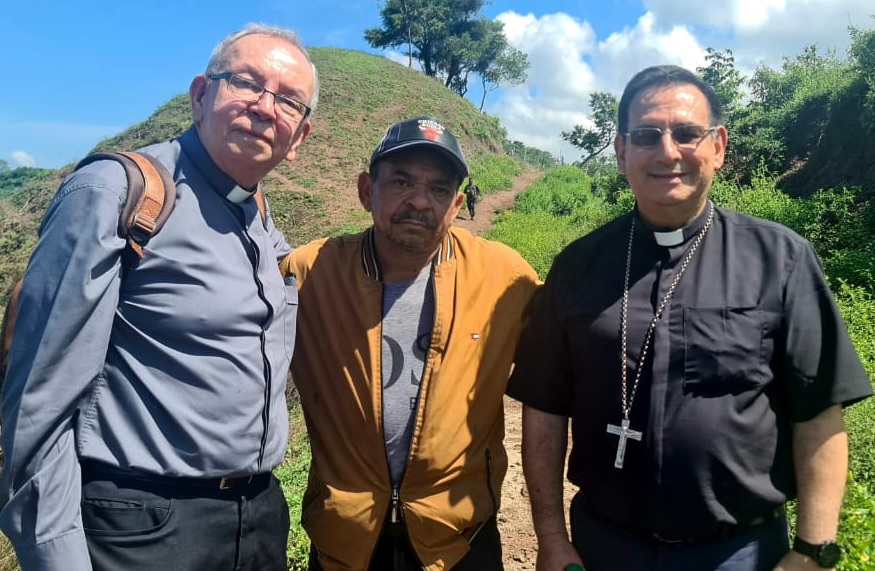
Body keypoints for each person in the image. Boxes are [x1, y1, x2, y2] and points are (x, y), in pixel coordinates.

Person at [507, 65, 872, 571]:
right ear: (620, 152)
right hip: (604, 546)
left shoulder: (781, 259)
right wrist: (550, 536)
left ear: (718, 146)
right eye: (646, 136)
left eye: (686, 134)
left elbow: (819, 412)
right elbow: (544, 409)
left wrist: (812, 550)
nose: (667, 151)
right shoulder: (577, 265)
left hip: (740, 552)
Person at [0, 23, 319, 571]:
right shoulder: (118, 194)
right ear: (200, 95)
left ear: (299, 140)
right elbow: (37, 402)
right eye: (246, 83)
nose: (266, 108)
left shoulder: (261, 221)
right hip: (144, 528)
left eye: (288, 101)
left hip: (257, 519)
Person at [281, 116, 540, 571]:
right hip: (346, 538)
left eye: (440, 190)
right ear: (367, 190)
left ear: (457, 204)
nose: (420, 201)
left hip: (459, 538)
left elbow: (564, 363)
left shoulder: (504, 276)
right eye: (401, 181)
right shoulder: (309, 274)